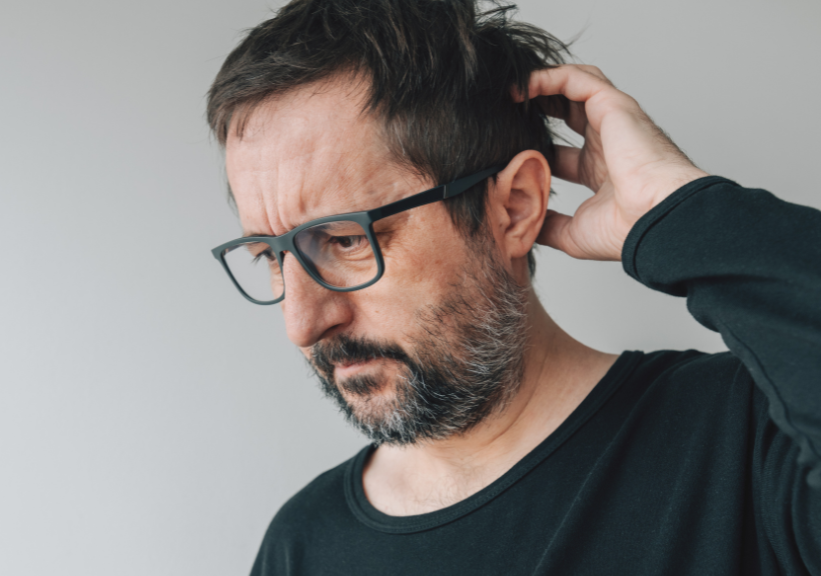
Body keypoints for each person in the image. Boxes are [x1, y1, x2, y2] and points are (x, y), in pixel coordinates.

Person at [206, 0, 821, 573]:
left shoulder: (746, 443)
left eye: (346, 241)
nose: (303, 323)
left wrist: (678, 213)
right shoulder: (302, 546)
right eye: (270, 255)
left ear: (515, 207)